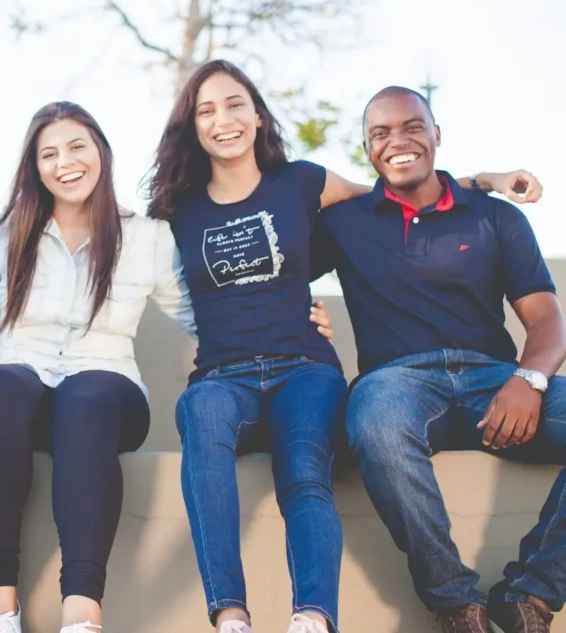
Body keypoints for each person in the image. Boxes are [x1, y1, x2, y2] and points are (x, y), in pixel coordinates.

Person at [145, 59, 540, 633]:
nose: (222, 119)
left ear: (257, 116)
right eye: (206, 110)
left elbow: (398, 191)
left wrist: (487, 181)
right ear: (192, 125)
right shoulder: (177, 209)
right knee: (199, 422)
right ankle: (230, 615)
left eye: (235, 105)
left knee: (305, 471)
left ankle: (313, 618)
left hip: (305, 366)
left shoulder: (304, 181)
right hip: (221, 375)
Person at [0, 101, 333, 633]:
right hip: (21, 377)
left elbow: (206, 314)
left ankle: (81, 612)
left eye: (77, 146)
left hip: (108, 386)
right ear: (35, 167)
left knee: (86, 398)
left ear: (101, 151)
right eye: (48, 153)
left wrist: (290, 317)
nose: (64, 162)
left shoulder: (147, 237)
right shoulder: (2, 237)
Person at [312, 86, 564, 633]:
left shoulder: (495, 217)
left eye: (411, 127)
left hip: (495, 383)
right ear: (366, 149)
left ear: (436, 135)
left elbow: (546, 318)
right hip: (396, 385)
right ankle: (456, 604)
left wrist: (530, 378)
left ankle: (530, 595)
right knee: (374, 422)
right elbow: (267, 243)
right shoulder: (345, 222)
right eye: (380, 134)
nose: (397, 141)